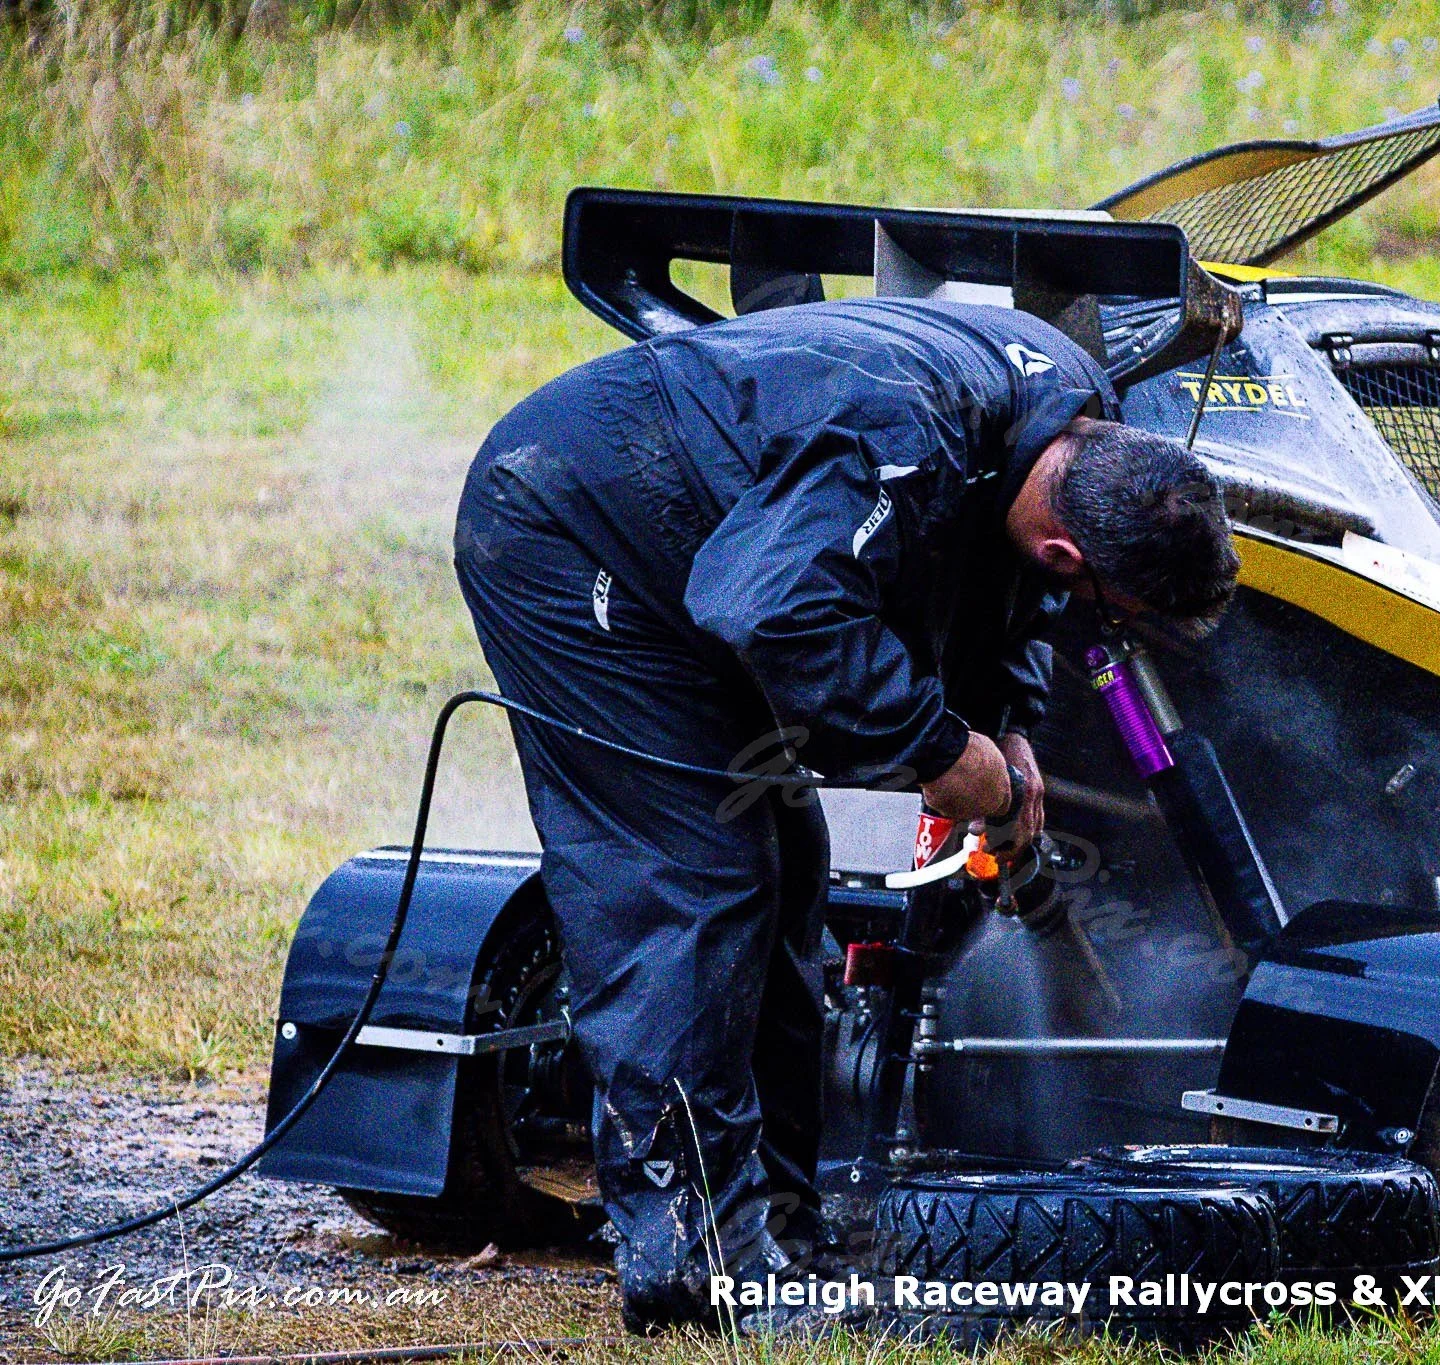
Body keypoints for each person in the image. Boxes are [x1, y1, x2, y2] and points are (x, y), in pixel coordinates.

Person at [450, 296, 1239, 1333]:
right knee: (690, 880)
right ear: (1069, 552)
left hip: (703, 547)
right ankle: (695, 1268)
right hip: (570, 529)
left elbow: (989, 588)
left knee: (783, 862)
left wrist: (1003, 729)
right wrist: (937, 749)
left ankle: (778, 1225)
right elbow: (775, 610)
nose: (1102, 627)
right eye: (1115, 612)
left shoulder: (1064, 417)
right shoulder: (903, 440)